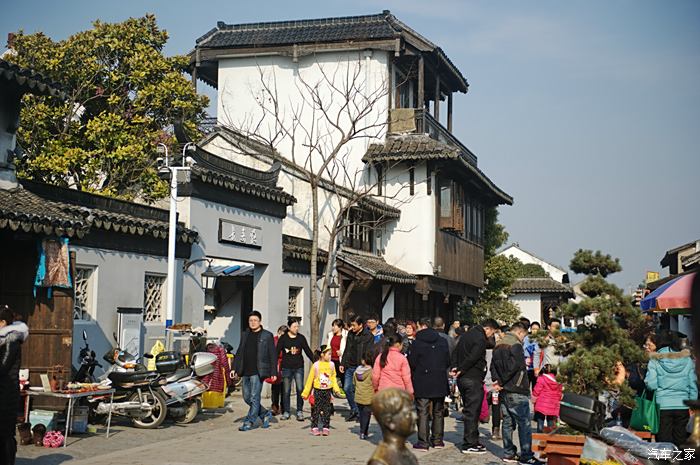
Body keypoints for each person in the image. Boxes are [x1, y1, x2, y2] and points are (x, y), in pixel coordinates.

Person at [491, 321, 543, 465]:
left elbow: (493, 366)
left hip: (504, 390)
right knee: (524, 423)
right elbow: (515, 367)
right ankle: (526, 455)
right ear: (520, 332)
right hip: (516, 388)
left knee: (507, 422)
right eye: (523, 336)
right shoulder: (516, 345)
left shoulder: (498, 344)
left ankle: (508, 453)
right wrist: (503, 382)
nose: (523, 339)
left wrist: (497, 381)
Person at [451, 318, 499, 455]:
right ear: (487, 329)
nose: (491, 336)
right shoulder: (480, 338)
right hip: (472, 377)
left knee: (470, 410)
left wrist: (455, 367)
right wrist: (461, 368)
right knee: (473, 412)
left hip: (463, 379)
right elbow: (474, 356)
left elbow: (455, 351)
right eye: (492, 333)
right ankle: (469, 443)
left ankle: (473, 440)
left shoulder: (467, 335)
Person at [645, 330, 697, 447]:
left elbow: (651, 385)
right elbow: (693, 384)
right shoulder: (688, 361)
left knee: (664, 439)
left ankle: (665, 460)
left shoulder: (655, 359)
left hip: (662, 405)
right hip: (682, 405)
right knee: (681, 438)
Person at [408, 317, 450, 452]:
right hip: (440, 379)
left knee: (423, 411)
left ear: (421, 326)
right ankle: (438, 440)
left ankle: (423, 442)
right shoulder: (443, 341)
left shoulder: (417, 342)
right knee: (438, 411)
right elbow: (447, 361)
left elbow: (412, 362)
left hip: (422, 380)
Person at [233, 311, 278, 431]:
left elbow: (273, 355)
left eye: (255, 320)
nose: (253, 323)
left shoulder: (267, 335)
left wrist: (274, 372)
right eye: (250, 320)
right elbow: (239, 352)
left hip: (258, 371)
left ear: (260, 321)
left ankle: (249, 421)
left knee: (254, 397)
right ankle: (264, 413)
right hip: (245, 370)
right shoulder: (245, 334)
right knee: (247, 397)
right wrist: (234, 368)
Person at [0, 307, 28, 465]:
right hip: (4, 390)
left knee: (5, 433)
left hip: (6, 393)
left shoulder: (11, 341)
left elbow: (3, 367)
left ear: (3, 322)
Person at [367, 388, 419, 465]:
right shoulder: (380, 462)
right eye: (408, 414)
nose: (415, 417)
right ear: (389, 421)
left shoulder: (403, 451)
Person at [277, 318, 314, 421]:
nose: (297, 328)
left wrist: (316, 362)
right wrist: (272, 366)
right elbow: (276, 352)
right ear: (289, 327)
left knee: (300, 389)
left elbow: (307, 351)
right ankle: (286, 411)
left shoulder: (301, 338)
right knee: (286, 390)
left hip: (298, 367)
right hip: (286, 368)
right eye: (294, 326)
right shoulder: (283, 338)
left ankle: (299, 411)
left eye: (298, 326)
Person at [301, 346, 342, 436]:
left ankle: (326, 427)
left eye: (331, 354)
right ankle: (314, 427)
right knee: (316, 409)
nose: (330, 356)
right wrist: (305, 392)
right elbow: (310, 379)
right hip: (317, 390)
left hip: (328, 390)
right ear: (322, 355)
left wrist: (336, 389)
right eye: (329, 354)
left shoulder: (332, 365)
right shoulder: (316, 365)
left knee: (327, 409)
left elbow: (333, 378)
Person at [340, 316, 373, 422]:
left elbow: (369, 352)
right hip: (349, 365)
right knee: (347, 388)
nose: (352, 327)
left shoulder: (368, 336)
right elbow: (347, 349)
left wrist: (366, 365)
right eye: (351, 325)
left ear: (360, 325)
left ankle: (360, 413)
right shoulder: (350, 334)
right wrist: (343, 363)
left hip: (361, 367)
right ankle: (355, 410)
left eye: (354, 325)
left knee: (358, 391)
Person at [532, 364, 562, 433]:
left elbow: (537, 390)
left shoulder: (541, 378)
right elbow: (559, 393)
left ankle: (540, 433)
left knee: (540, 419)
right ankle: (549, 435)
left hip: (541, 403)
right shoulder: (558, 381)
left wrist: (534, 397)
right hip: (553, 404)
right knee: (550, 420)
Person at [354, 350, 374, 439]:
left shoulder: (357, 371)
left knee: (361, 414)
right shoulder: (372, 371)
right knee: (367, 414)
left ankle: (362, 431)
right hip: (368, 396)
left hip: (358, 395)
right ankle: (364, 432)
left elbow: (354, 382)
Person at [268, 325, 287, 416]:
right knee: (275, 387)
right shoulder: (273, 340)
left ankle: (283, 407)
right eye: (280, 333)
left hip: (284, 365)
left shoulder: (287, 341)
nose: (280, 336)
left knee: (284, 388)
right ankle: (275, 406)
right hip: (275, 365)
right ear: (278, 332)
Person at [525, 321, 540, 390]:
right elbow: (524, 349)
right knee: (526, 386)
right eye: (533, 329)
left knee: (535, 386)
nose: (535, 331)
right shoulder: (526, 338)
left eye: (537, 329)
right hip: (528, 366)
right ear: (530, 329)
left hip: (537, 367)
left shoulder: (540, 339)